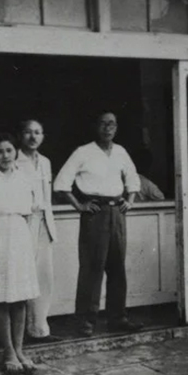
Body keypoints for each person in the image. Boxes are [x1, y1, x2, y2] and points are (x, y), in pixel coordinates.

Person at [0, 129, 58, 375]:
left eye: (9, 150)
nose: (5, 155)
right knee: (1, 296)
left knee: (19, 296)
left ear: (15, 152)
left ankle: (20, 350)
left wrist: (23, 236)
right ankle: (8, 351)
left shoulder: (23, 178)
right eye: (0, 151)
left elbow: (30, 211)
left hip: (19, 233)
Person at [54, 112, 143, 336]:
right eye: (103, 123)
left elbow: (133, 178)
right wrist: (80, 206)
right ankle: (85, 321)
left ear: (116, 127)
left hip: (117, 213)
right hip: (95, 214)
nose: (107, 127)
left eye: (112, 123)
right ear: (96, 126)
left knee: (117, 268)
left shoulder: (121, 152)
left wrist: (130, 201)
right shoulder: (83, 152)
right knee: (92, 268)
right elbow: (61, 184)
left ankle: (118, 318)